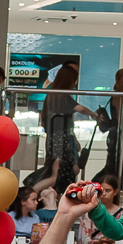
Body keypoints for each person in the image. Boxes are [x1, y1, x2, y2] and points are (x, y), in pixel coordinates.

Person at [40, 63, 83, 196]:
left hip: (57, 139)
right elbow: (79, 109)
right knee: (62, 172)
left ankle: (53, 197)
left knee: (59, 171)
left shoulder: (53, 96)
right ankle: (38, 191)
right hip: (62, 140)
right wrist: (93, 114)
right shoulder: (63, 96)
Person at [97, 68, 123, 194]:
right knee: (121, 168)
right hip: (118, 136)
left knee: (118, 168)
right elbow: (121, 121)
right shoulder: (119, 97)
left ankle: (103, 190)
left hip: (116, 135)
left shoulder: (121, 96)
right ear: (118, 80)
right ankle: (97, 187)